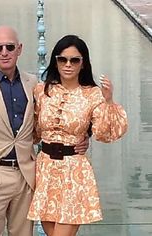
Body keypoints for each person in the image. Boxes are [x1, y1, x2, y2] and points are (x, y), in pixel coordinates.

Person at [0, 26, 89, 236]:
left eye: (10, 47)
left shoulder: (34, 84)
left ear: (19, 49)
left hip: (26, 176)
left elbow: (48, 124)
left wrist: (83, 138)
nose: (4, 52)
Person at [27, 35, 128, 236]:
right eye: (62, 59)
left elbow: (106, 133)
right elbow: (31, 131)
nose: (68, 65)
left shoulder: (93, 94)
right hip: (45, 170)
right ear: (55, 62)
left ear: (83, 64)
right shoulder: (41, 91)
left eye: (75, 60)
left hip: (74, 171)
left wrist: (108, 101)